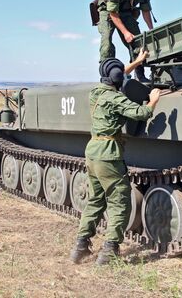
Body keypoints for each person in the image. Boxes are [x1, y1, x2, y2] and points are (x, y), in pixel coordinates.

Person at [70, 48, 161, 265]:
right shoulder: (115, 99)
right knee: (119, 202)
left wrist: (137, 61)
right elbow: (142, 113)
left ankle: (80, 247)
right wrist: (153, 99)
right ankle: (109, 250)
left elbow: (119, 74)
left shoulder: (97, 92)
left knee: (95, 200)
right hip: (108, 154)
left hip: (92, 152)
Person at [97, 0, 154, 82]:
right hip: (108, 11)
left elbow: (145, 10)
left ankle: (140, 75)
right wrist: (125, 32)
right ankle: (107, 77)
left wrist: (151, 29)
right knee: (106, 42)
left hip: (127, 12)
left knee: (137, 42)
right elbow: (113, 13)